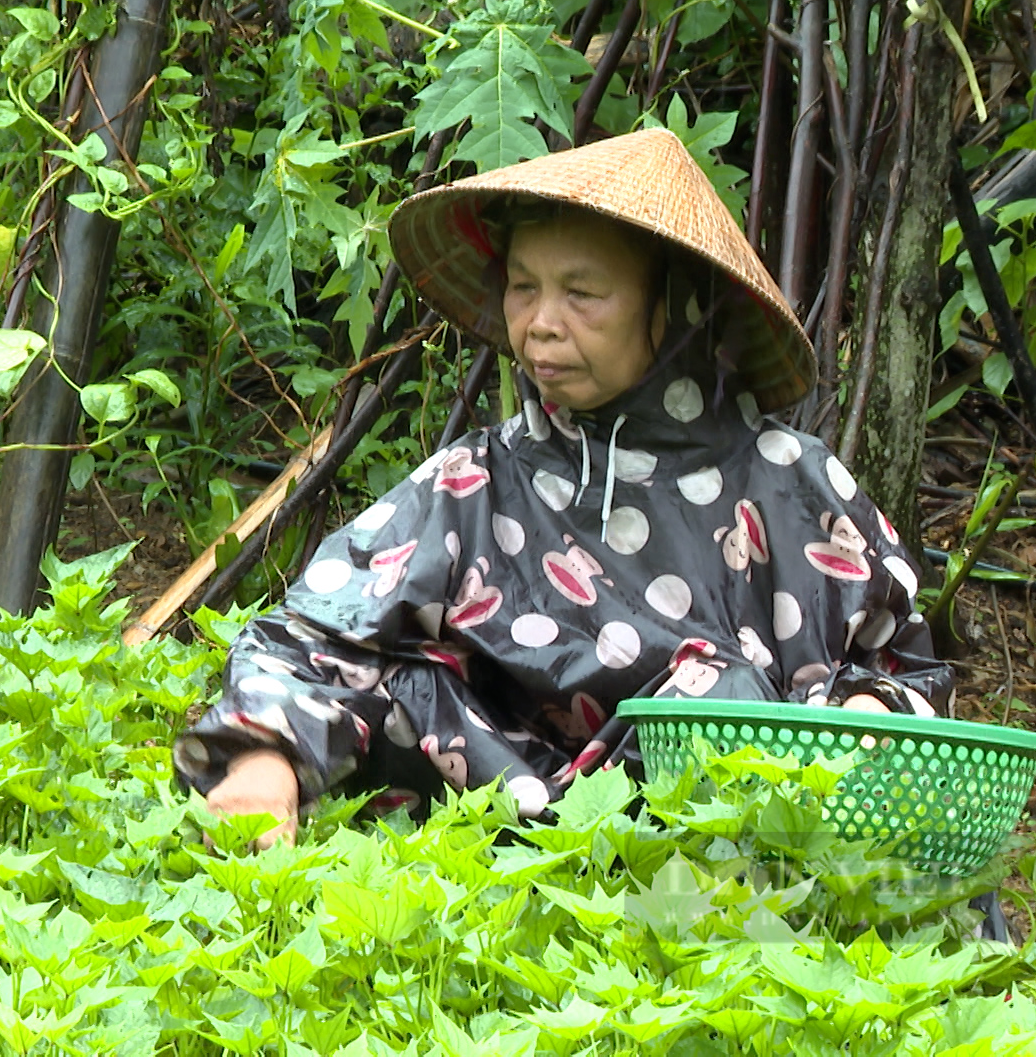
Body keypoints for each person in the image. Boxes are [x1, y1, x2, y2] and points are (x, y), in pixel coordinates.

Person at [172, 129, 951, 848]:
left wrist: (869, 715)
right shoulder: (473, 483)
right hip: (506, 822)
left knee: (722, 696)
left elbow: (903, 669)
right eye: (523, 287)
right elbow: (321, 637)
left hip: (713, 851)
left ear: (671, 308)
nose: (541, 323)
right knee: (402, 685)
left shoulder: (788, 483)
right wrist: (266, 761)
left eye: (582, 293)